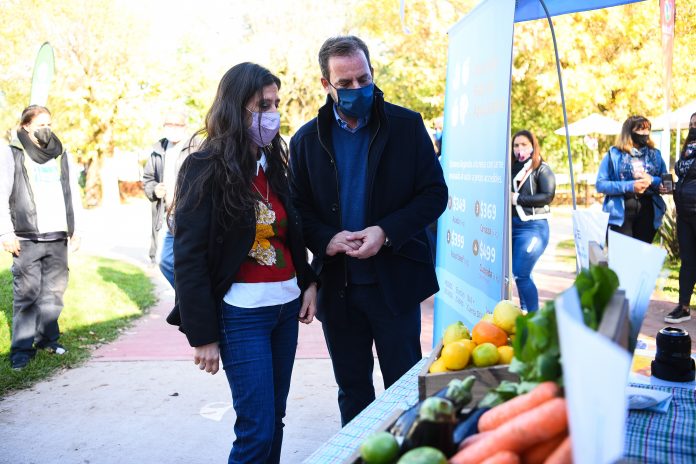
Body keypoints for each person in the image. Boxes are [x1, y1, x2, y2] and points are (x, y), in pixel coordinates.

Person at [289, 36, 448, 426]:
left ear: (372, 72)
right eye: (345, 84)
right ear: (326, 85)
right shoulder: (305, 141)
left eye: (364, 79)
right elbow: (297, 211)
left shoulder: (407, 126)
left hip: (395, 283)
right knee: (353, 390)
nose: (357, 89)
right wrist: (326, 238)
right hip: (338, 289)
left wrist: (386, 231)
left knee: (406, 388)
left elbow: (434, 194)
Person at [165, 62, 318, 464]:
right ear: (235, 108)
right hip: (241, 316)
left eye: (275, 103)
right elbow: (190, 257)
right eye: (261, 104)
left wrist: (309, 283)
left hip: (285, 310)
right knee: (256, 429)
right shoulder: (204, 168)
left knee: (276, 420)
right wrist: (203, 334)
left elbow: (293, 232)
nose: (272, 113)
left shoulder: (276, 164)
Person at [1, 105, 82, 370]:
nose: (46, 129)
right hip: (27, 235)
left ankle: (48, 339)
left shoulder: (60, 153)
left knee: (55, 292)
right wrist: (5, 232)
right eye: (40, 125)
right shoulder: (12, 152)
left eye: (49, 123)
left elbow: (73, 192)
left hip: (57, 234)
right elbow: (2, 193)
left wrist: (76, 228)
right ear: (26, 127)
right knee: (27, 294)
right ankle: (21, 350)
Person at [142, 110, 199, 287]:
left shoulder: (197, 147)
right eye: (169, 125)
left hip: (191, 215)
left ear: (185, 126)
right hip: (169, 215)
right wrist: (154, 189)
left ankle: (189, 302)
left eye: (177, 125)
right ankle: (187, 300)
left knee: (189, 264)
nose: (173, 129)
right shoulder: (157, 149)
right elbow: (148, 179)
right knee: (166, 262)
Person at [596, 115, 668, 244]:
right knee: (621, 260)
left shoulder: (655, 154)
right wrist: (630, 186)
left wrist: (652, 180)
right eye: (640, 130)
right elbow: (601, 184)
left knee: (641, 259)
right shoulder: (614, 154)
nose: (645, 133)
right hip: (620, 213)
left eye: (647, 130)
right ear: (629, 132)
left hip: (648, 211)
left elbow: (665, 181)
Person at [510, 130, 556, 312]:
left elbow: (548, 196)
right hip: (512, 226)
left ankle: (533, 317)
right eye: (516, 145)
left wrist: (517, 199)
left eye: (524, 145)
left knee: (521, 273)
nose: (519, 149)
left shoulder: (542, 169)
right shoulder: (511, 167)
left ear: (533, 146)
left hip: (533, 227)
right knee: (518, 275)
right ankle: (525, 314)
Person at [665, 111, 696, 323]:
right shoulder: (687, 149)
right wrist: (672, 188)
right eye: (692, 124)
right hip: (684, 212)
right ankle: (683, 306)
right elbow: (684, 178)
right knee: (687, 261)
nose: (694, 127)